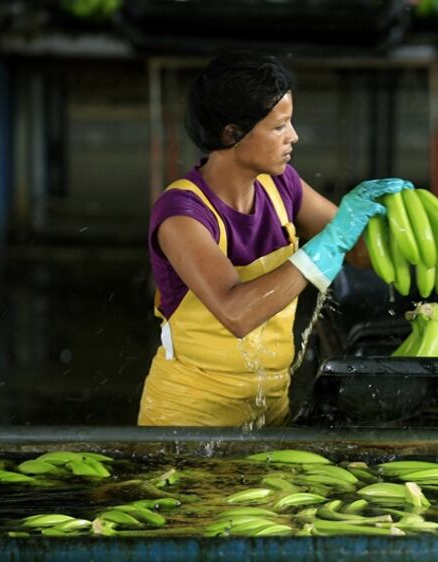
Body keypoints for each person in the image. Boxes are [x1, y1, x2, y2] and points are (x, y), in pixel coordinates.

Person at [138, 52, 411, 427]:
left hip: (270, 412)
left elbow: (360, 254)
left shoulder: (282, 185)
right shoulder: (182, 214)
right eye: (279, 126)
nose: (294, 136)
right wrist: (330, 242)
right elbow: (237, 313)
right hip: (189, 423)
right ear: (232, 134)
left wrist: (395, 219)